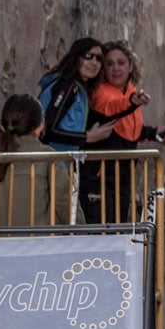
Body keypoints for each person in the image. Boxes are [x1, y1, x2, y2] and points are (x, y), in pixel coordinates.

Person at [90, 41, 165, 222]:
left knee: (121, 224)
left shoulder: (130, 91)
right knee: (104, 226)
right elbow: (112, 109)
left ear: (130, 65)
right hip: (102, 173)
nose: (115, 68)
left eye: (121, 63)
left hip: (124, 172)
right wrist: (132, 101)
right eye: (109, 64)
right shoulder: (100, 92)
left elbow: (131, 129)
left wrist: (155, 133)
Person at [39, 38, 114, 221]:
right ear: (76, 57)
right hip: (51, 167)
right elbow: (47, 130)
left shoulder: (78, 88)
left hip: (62, 169)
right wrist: (87, 137)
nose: (94, 63)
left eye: (99, 59)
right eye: (89, 56)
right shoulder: (67, 85)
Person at [0, 94, 60, 227]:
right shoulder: (49, 157)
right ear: (40, 126)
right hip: (38, 242)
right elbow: (66, 202)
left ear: (2, 126)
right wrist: (82, 235)